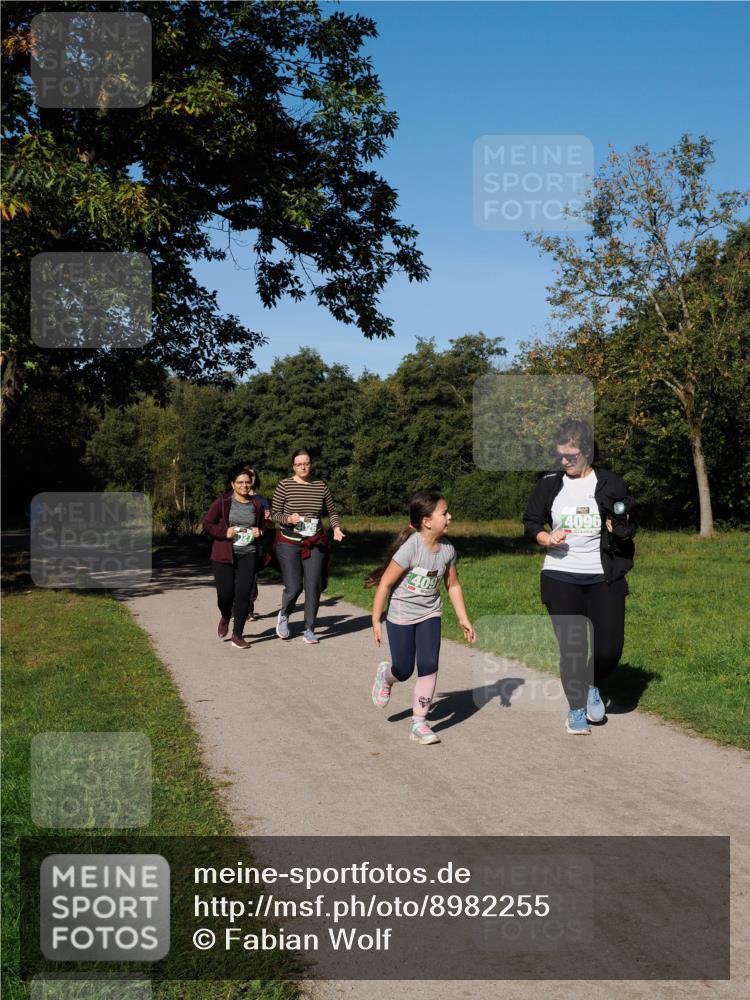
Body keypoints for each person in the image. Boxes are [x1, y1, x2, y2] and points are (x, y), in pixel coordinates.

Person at [522, 419, 636, 734]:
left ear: (585, 451)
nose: (564, 462)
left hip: (603, 575)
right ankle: (575, 710)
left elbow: (628, 523)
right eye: (560, 456)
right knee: (572, 648)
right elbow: (531, 520)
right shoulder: (549, 484)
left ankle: (590, 684)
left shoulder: (611, 483)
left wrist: (619, 530)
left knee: (610, 649)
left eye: (570, 456)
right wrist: (545, 538)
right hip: (560, 575)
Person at [365, 492, 476, 745]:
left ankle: (419, 722)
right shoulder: (411, 548)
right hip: (402, 615)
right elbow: (385, 584)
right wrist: (375, 619)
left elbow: (453, 585)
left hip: (429, 613)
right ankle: (386, 676)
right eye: (444, 513)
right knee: (403, 669)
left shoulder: (448, 549)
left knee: (428, 664)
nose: (450, 516)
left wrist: (463, 618)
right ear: (427, 521)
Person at [270, 448, 345, 643]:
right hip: (289, 542)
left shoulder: (320, 486)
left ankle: (309, 628)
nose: (303, 467)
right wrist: (289, 518)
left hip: (315, 542)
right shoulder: (284, 485)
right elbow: (274, 514)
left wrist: (336, 528)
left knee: (313, 586)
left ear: (310, 464)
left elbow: (332, 512)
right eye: (299, 464)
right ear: (293, 466)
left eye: (307, 463)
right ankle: (284, 615)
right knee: (294, 586)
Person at [202, 467, 266, 650]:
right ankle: (225, 615)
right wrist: (224, 532)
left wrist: (259, 532)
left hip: (249, 553)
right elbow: (207, 524)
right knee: (225, 595)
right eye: (240, 482)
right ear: (233, 484)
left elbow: (263, 528)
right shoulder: (222, 502)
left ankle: (237, 635)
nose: (244, 485)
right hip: (223, 555)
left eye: (247, 482)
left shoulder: (257, 505)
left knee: (244, 595)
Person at [245, 467, 270, 621]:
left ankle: (249, 608)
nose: (250, 478)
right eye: (247, 475)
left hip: (256, 545)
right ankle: (238, 606)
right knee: (237, 578)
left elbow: (268, 525)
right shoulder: (232, 498)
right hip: (236, 545)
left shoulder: (262, 500)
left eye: (252, 475)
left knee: (252, 578)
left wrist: (269, 518)